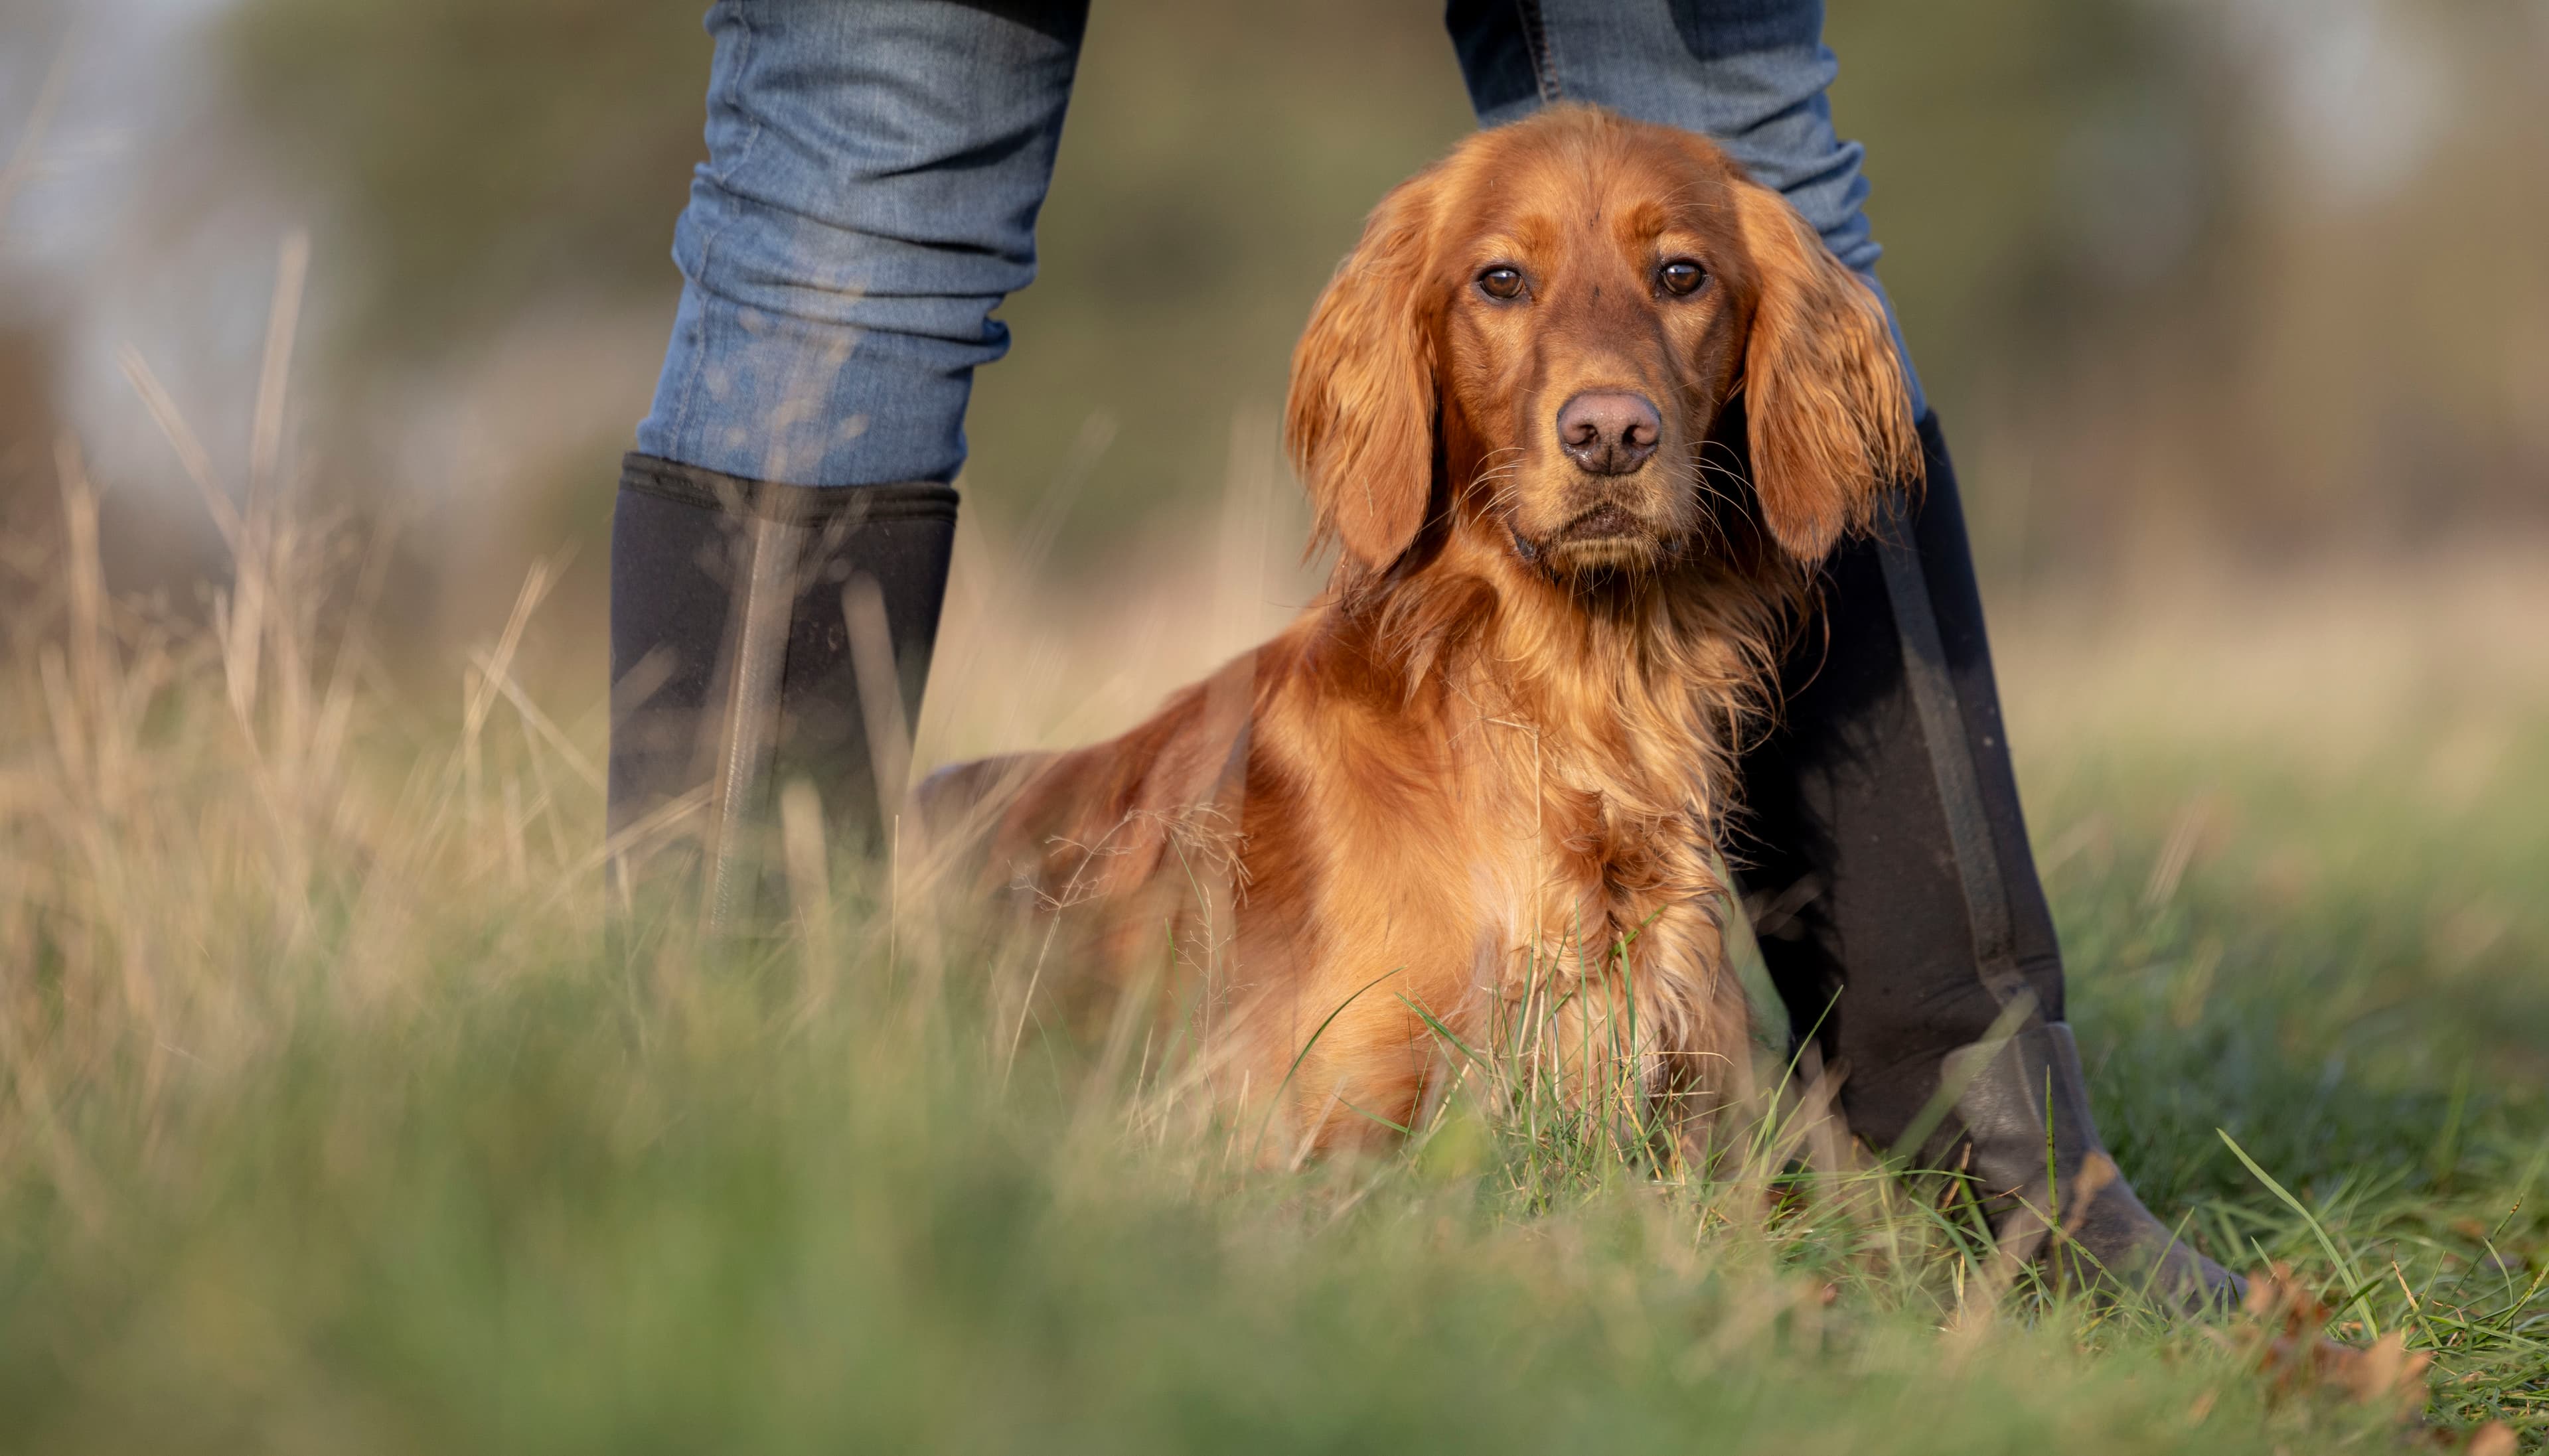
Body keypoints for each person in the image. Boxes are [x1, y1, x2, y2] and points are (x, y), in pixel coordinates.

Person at [605, 0, 2244, 1309]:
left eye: (1677, 285)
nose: (1602, 391)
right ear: (1421, 358)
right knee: (864, 131)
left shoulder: (1767, 347)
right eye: (1512, 291)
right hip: (1111, 877)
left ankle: (2001, 1169)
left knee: (861, 152)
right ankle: (704, 1122)